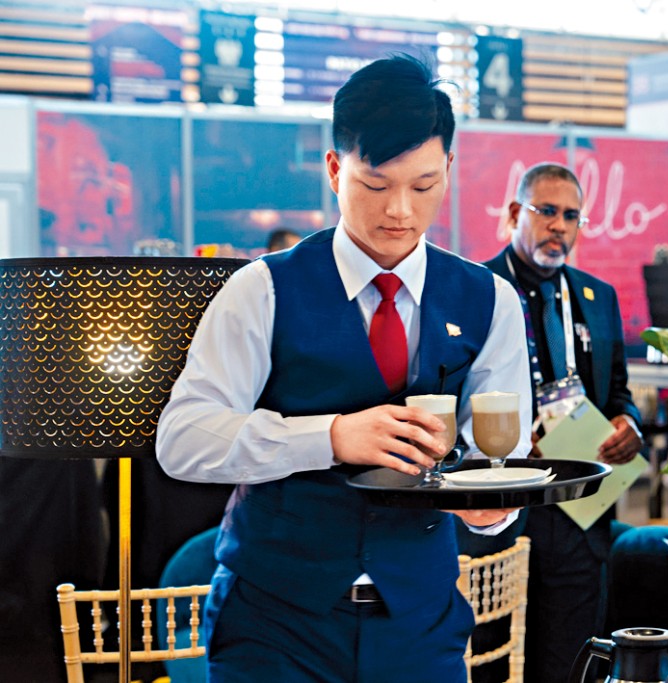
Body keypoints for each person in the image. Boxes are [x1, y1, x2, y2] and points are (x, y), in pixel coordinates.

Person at [156, 54, 532, 683]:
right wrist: (329, 437)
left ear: (449, 170)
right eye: (376, 185)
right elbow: (184, 439)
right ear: (335, 170)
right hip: (274, 625)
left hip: (420, 621)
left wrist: (492, 506)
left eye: (424, 185)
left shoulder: (488, 301)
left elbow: (504, 452)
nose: (401, 212)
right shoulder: (262, 290)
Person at [481, 162, 644, 683]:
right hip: (506, 505)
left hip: (580, 504)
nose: (559, 226)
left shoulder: (598, 297)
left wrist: (631, 426)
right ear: (514, 214)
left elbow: (617, 390)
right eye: (546, 211)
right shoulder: (479, 289)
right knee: (496, 655)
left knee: (571, 659)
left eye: (571, 216)